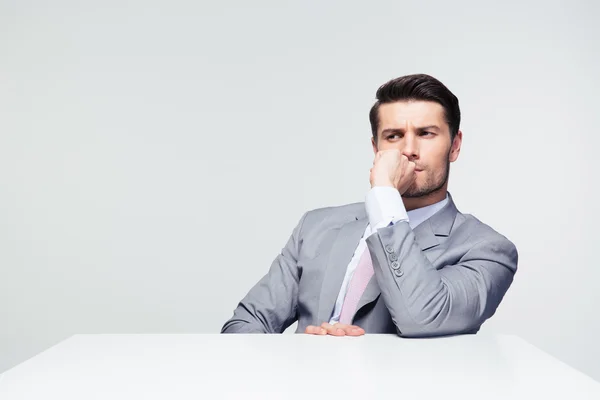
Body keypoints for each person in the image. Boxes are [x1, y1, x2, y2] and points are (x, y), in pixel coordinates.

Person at [221, 73, 518, 337]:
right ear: (376, 148)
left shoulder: (487, 249)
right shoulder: (315, 227)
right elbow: (243, 326)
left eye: (426, 134)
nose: (409, 150)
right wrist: (300, 354)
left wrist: (385, 194)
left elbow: (423, 318)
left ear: (454, 145)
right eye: (394, 136)